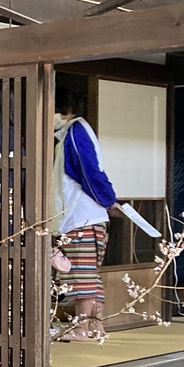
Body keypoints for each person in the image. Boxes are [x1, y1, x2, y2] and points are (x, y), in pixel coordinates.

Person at [53, 96, 124, 341]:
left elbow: (89, 171)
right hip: (86, 217)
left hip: (80, 217)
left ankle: (81, 328)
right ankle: (96, 327)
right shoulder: (72, 133)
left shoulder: (76, 131)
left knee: (80, 275)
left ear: (66, 111)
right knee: (89, 274)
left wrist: (108, 199)